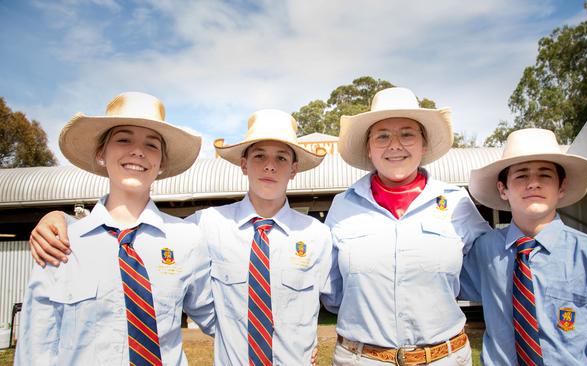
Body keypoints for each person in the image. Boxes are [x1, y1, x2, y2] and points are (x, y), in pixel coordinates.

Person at [28, 109, 332, 365]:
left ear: (294, 168)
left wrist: (299, 345)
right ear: (243, 163)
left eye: (281, 157)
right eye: (259, 155)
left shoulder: (318, 235)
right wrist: (61, 219)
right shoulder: (203, 226)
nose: (269, 165)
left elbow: (337, 297)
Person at [15, 92, 216, 365]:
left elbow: (224, 321)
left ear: (162, 163)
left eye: (152, 144)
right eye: (123, 139)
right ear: (101, 153)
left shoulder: (188, 240)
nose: (138, 151)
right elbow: (36, 347)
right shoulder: (60, 242)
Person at [323, 87, 491, 366]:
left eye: (407, 133)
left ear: (424, 145)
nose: (395, 145)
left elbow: (485, 275)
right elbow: (333, 290)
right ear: (369, 147)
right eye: (383, 136)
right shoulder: (342, 205)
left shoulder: (457, 202)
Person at [459, 128, 587, 365]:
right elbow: (435, 283)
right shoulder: (483, 251)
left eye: (545, 175)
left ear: (561, 187)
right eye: (521, 175)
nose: (533, 183)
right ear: (503, 189)